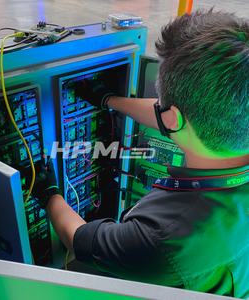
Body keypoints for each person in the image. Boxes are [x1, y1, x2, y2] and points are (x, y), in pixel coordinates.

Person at [31, 9, 249, 299]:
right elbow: (171, 117)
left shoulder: (164, 240)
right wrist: (108, 100)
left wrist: (49, 193)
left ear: (173, 119)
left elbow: (80, 240)